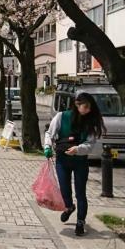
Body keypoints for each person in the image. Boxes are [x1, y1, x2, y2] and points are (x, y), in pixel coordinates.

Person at [43, 92, 105, 236]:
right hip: (62, 161)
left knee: (80, 192)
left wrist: (78, 149)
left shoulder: (90, 123)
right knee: (64, 190)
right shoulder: (61, 117)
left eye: (90, 108)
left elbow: (90, 144)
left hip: (80, 162)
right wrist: (47, 147)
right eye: (86, 107)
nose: (88, 110)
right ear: (77, 105)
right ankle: (69, 207)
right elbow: (49, 134)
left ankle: (80, 222)